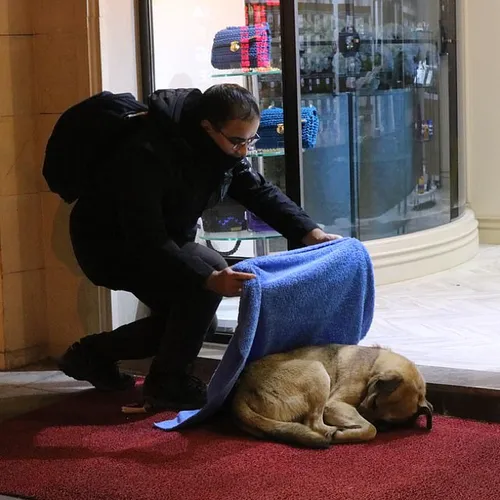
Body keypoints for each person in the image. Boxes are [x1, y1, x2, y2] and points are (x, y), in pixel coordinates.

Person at [58, 83, 340, 411]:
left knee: (193, 319)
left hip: (163, 237)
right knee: (201, 289)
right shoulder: (147, 153)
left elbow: (259, 192)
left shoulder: (219, 149)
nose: (244, 150)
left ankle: (93, 355)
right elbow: (146, 237)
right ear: (207, 126)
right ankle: (165, 381)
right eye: (237, 140)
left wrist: (311, 233)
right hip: (112, 244)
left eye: (251, 139)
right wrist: (205, 279)